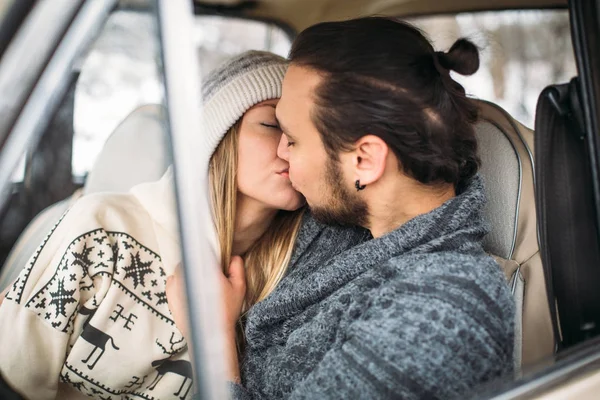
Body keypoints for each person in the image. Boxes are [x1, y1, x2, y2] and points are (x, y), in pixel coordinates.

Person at [183, 17, 515, 400]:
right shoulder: (344, 221)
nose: (280, 153)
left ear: (364, 161)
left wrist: (211, 336)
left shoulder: (441, 312)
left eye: (291, 139)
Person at [0, 50, 349, 400]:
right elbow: (16, 374)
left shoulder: (294, 278)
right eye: (272, 125)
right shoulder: (102, 230)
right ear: (217, 134)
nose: (290, 148)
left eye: (306, 133)